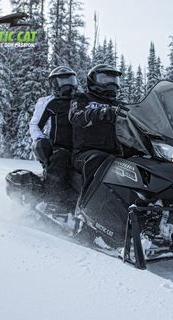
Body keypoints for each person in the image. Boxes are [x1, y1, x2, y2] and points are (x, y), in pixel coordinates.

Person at [29, 66, 78, 212]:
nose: (68, 85)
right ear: (54, 84)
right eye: (63, 82)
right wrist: (40, 140)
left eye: (71, 80)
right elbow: (35, 124)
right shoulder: (51, 103)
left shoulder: (80, 101)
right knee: (60, 159)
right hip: (59, 146)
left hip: (81, 147)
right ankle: (52, 201)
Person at [69, 64, 126, 185]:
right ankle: (86, 202)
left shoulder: (119, 105)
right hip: (85, 152)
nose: (112, 84)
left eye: (114, 80)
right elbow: (76, 116)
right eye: (105, 79)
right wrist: (100, 113)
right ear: (93, 80)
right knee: (98, 160)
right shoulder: (82, 98)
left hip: (116, 152)